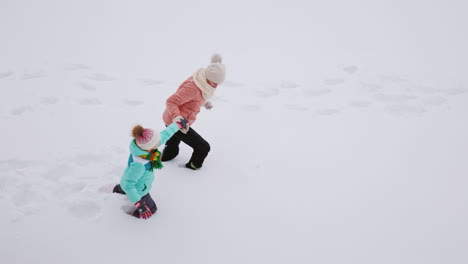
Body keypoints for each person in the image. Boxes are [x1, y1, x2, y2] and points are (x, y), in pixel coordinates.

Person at [113, 117, 188, 219]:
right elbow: (129, 185)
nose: (159, 142)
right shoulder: (140, 163)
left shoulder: (142, 148)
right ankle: (135, 217)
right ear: (149, 147)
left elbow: (165, 134)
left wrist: (178, 125)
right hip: (140, 189)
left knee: (125, 184)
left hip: (127, 178)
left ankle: (120, 188)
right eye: (157, 143)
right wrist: (139, 204)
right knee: (151, 208)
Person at [161, 54, 226, 170]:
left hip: (175, 120)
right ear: (208, 77)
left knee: (173, 142)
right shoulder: (192, 88)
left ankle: (168, 156)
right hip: (177, 123)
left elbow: (194, 98)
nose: (216, 86)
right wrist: (177, 118)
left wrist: (204, 103)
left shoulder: (201, 80)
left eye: (218, 83)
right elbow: (171, 101)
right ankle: (193, 166)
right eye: (215, 83)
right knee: (203, 147)